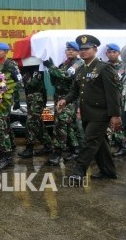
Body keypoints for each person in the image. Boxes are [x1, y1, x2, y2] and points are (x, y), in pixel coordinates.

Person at [57, 34, 121, 182]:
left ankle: (78, 173)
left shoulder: (104, 68)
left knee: (89, 142)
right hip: (87, 114)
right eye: (82, 49)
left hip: (101, 114)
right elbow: (75, 91)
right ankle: (108, 171)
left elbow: (113, 94)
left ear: (95, 49)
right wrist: (65, 100)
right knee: (100, 143)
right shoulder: (81, 69)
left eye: (87, 48)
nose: (83, 51)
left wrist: (115, 115)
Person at [44, 42, 84, 165]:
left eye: (73, 50)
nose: (70, 52)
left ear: (78, 52)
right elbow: (55, 81)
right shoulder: (63, 64)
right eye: (68, 50)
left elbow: (66, 76)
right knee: (69, 126)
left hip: (70, 99)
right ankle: (75, 150)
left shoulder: (78, 63)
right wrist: (53, 70)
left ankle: (57, 153)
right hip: (59, 98)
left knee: (60, 124)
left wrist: (51, 67)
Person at [0, 43, 22, 170]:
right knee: (2, 129)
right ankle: (5, 157)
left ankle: (4, 157)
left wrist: (17, 99)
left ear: (5, 52)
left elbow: (18, 81)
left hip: (5, 102)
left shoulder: (10, 64)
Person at [18, 64, 52, 158]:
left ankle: (29, 148)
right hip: (30, 99)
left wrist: (21, 79)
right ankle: (48, 145)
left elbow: (33, 84)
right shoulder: (23, 69)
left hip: (37, 99)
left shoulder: (38, 68)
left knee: (31, 122)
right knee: (38, 124)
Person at [103, 43, 126, 157]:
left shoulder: (123, 66)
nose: (111, 54)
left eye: (114, 52)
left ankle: (122, 145)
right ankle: (110, 144)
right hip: (105, 98)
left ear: (119, 53)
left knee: (118, 122)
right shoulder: (103, 65)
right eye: (109, 52)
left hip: (118, 98)